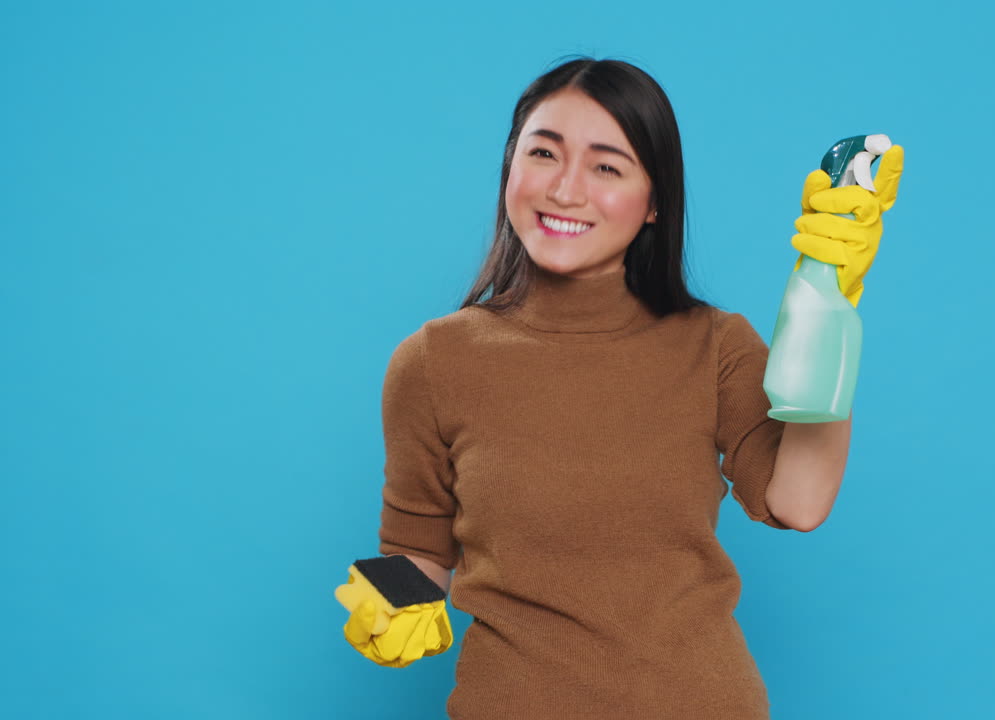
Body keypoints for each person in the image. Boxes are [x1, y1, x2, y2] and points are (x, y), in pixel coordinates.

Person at [337, 55, 903, 719]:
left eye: (607, 166)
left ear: (655, 200)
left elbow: (799, 502)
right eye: (544, 153)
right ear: (510, 167)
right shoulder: (433, 362)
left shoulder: (714, 345)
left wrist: (829, 299)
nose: (565, 190)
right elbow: (418, 549)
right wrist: (391, 605)